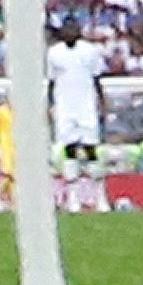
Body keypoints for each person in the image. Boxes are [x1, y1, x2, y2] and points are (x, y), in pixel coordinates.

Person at [45, 18, 108, 211]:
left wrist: (102, 102)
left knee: (90, 150)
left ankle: (100, 196)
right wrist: (50, 104)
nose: (70, 32)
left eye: (73, 28)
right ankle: (73, 197)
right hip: (65, 106)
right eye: (67, 29)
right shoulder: (54, 53)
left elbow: (97, 78)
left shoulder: (89, 51)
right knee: (69, 149)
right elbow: (52, 81)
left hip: (86, 106)